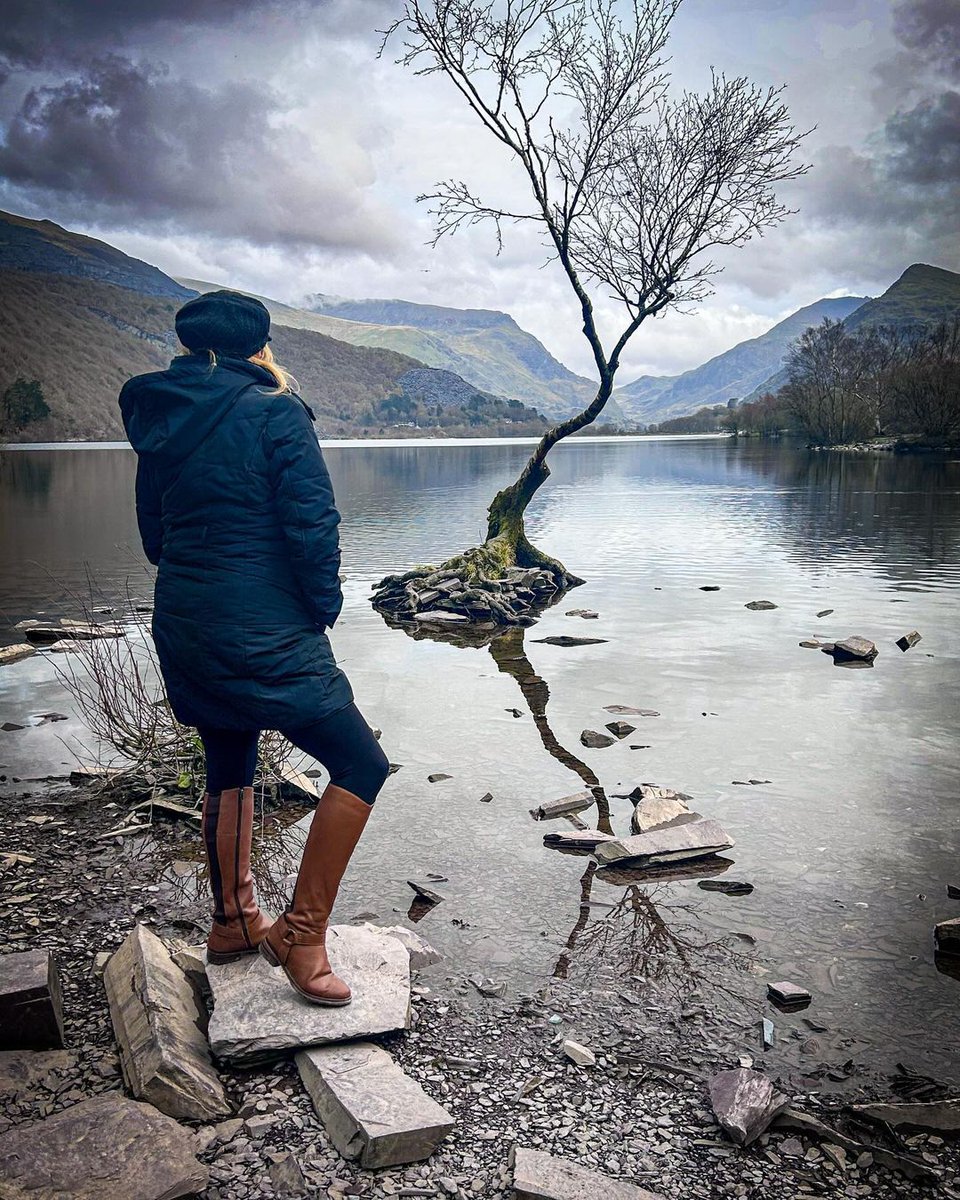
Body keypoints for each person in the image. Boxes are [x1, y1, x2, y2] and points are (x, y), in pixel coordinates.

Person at [119, 290, 390, 1006]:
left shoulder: (162, 418)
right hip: (265, 623)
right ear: (259, 346)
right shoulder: (276, 408)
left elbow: (154, 537)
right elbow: (313, 524)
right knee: (362, 762)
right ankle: (302, 934)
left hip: (187, 617)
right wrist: (321, 610)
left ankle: (235, 922)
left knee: (230, 757)